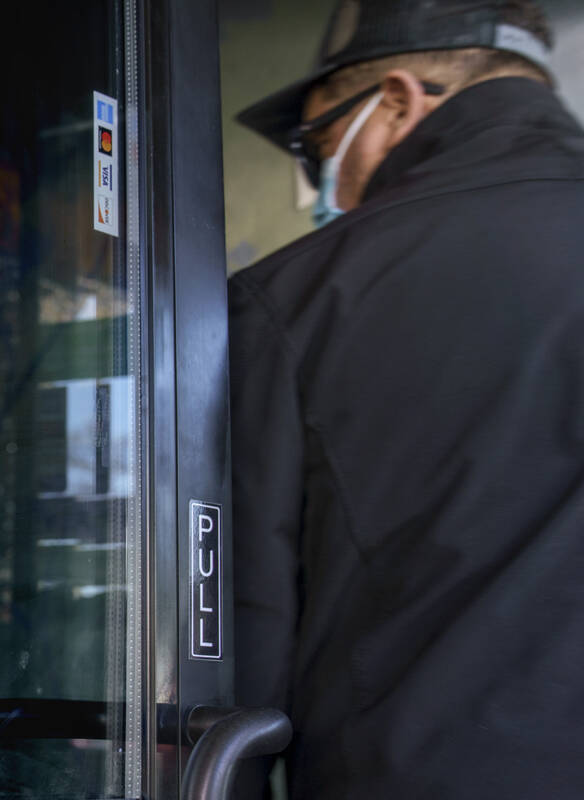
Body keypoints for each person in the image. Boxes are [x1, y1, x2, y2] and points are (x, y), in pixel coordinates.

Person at [228, 0, 584, 796]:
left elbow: (244, 622)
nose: (326, 179)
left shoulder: (298, 297)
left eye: (317, 144)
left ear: (396, 100)